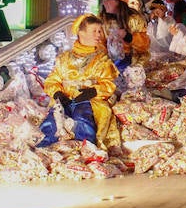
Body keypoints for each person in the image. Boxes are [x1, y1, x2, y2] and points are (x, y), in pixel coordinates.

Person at [36, 14, 122, 155]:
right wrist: (58, 93)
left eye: (100, 31)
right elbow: (52, 80)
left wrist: (93, 91)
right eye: (94, 31)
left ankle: (85, 150)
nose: (99, 35)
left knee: (82, 118)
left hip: (90, 101)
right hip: (65, 98)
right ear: (81, 32)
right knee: (53, 120)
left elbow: (108, 84)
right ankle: (45, 150)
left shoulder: (102, 59)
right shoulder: (63, 58)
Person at [99, 0, 150, 71]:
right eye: (103, 0)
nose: (104, 3)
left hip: (133, 65)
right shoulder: (102, 20)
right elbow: (99, 44)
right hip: (109, 66)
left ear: (119, 1)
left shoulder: (134, 18)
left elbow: (144, 44)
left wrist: (127, 36)